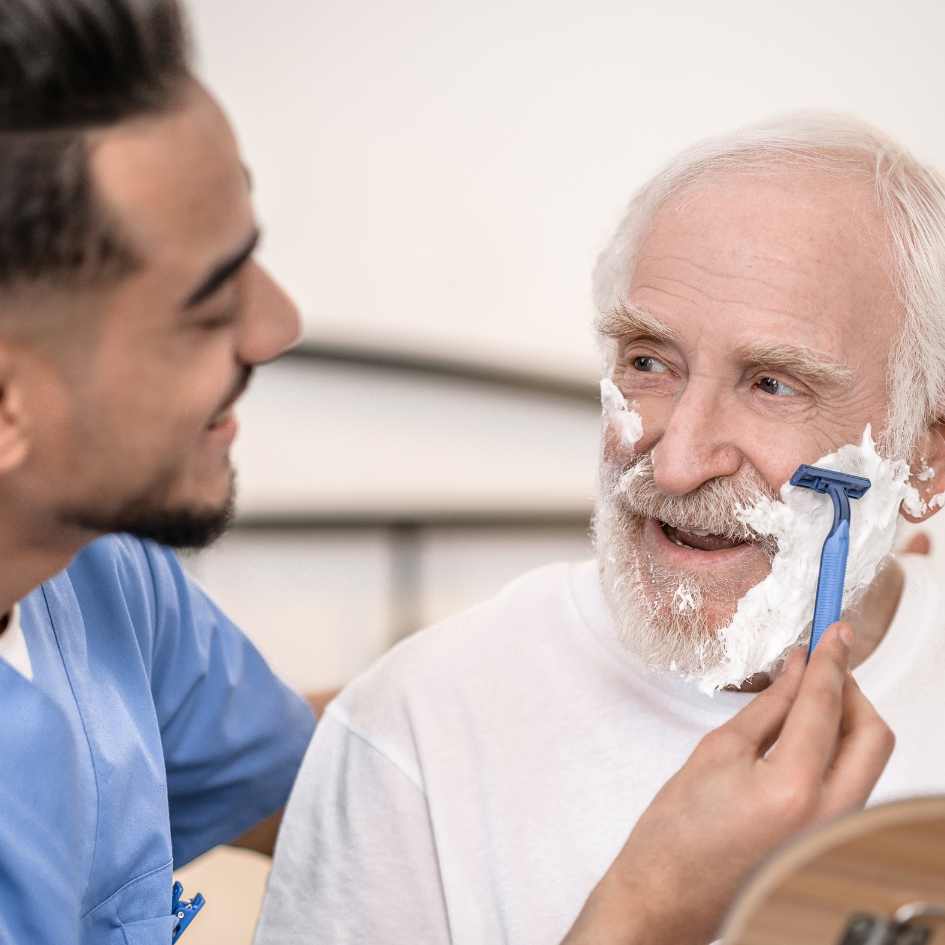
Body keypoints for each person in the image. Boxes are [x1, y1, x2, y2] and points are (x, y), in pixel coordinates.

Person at [256, 115, 945, 945]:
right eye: (648, 361)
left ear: (924, 460)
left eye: (771, 382)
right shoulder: (417, 728)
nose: (679, 460)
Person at [0, 2, 318, 941]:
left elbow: (322, 785)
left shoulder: (92, 566)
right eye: (211, 302)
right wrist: (643, 910)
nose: (280, 325)